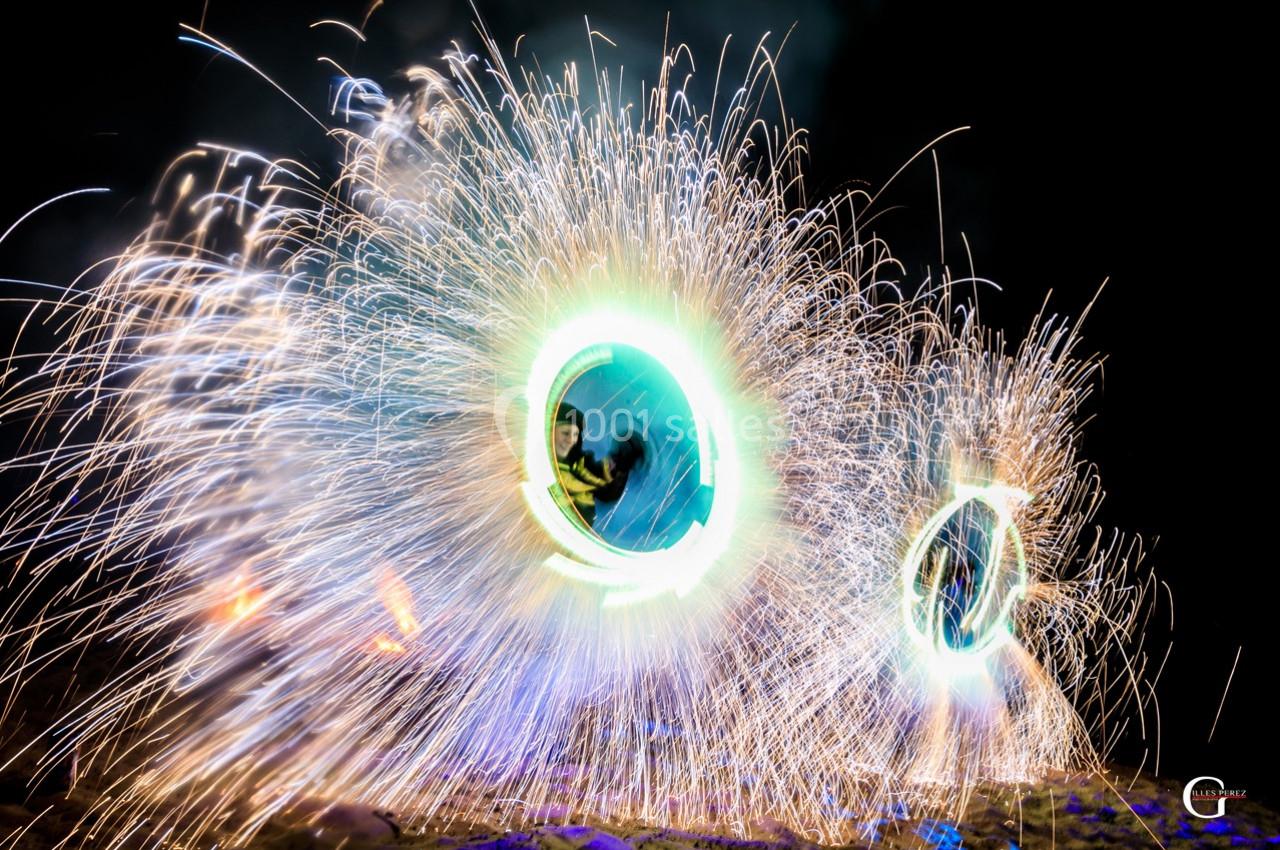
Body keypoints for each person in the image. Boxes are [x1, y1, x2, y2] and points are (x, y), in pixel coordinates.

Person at [551, 402, 644, 528]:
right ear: (551, 432)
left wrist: (621, 464)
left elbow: (606, 489)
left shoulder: (579, 465)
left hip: (576, 529)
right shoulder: (542, 465)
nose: (571, 440)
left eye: (575, 434)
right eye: (565, 433)